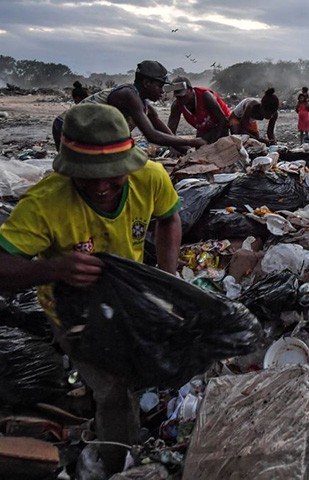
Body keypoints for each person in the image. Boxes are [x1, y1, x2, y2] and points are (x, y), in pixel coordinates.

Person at [0, 103, 183, 475]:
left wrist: (167, 276)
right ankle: (121, 462)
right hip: (74, 312)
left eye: (112, 177)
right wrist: (53, 268)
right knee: (114, 391)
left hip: (128, 298)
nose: (101, 187)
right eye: (88, 177)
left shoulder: (150, 178)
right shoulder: (44, 204)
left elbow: (169, 218)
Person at [52, 60, 205, 154]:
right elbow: (152, 135)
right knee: (78, 171)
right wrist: (193, 142)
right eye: (160, 86)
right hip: (68, 126)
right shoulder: (128, 94)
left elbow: (166, 134)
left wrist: (190, 153)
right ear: (147, 83)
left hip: (90, 132)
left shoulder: (145, 106)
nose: (162, 91)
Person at [166, 76, 231, 144]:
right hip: (204, 128)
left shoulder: (205, 96)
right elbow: (171, 130)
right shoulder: (176, 105)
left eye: (183, 95)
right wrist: (173, 147)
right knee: (199, 145)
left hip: (222, 124)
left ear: (190, 89)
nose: (181, 99)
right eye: (178, 97)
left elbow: (222, 120)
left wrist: (215, 142)